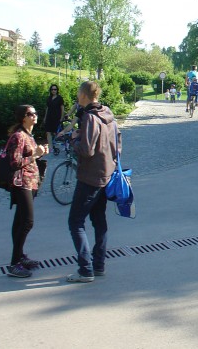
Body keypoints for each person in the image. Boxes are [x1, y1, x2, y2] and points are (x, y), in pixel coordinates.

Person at [67, 81, 121, 283]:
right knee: (99, 221)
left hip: (90, 177)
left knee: (75, 222)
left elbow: (87, 150)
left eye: (78, 94)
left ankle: (85, 269)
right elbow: (118, 146)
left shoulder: (90, 118)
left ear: (83, 95)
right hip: (106, 175)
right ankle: (98, 265)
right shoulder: (108, 114)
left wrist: (74, 139)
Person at [6, 105, 49, 278]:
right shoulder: (18, 136)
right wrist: (36, 155)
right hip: (21, 183)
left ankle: (20, 256)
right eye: (31, 114)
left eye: (36, 113)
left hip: (30, 183)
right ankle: (14, 263)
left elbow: (31, 157)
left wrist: (40, 153)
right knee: (27, 222)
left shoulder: (28, 135)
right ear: (23, 117)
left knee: (19, 221)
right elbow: (14, 163)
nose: (35, 116)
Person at [43, 84, 65, 149]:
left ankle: (57, 146)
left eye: (55, 89)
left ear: (57, 90)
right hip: (49, 117)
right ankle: (50, 146)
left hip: (57, 117)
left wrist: (61, 117)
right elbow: (47, 108)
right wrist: (45, 117)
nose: (53, 91)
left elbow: (62, 108)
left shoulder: (60, 98)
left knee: (56, 132)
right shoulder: (49, 98)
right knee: (48, 131)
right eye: (52, 89)